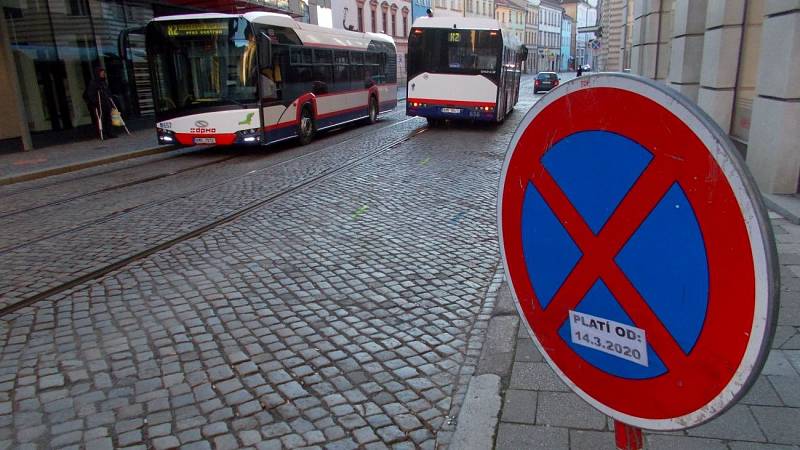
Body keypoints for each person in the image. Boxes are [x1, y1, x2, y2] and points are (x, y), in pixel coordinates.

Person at [83, 67, 117, 139]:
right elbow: (90, 94)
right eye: (101, 73)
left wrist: (110, 99)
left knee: (109, 118)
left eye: (103, 73)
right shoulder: (93, 83)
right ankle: (102, 133)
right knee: (101, 119)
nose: (103, 74)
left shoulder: (104, 82)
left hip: (106, 103)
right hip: (99, 105)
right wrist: (95, 102)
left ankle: (110, 133)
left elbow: (108, 92)